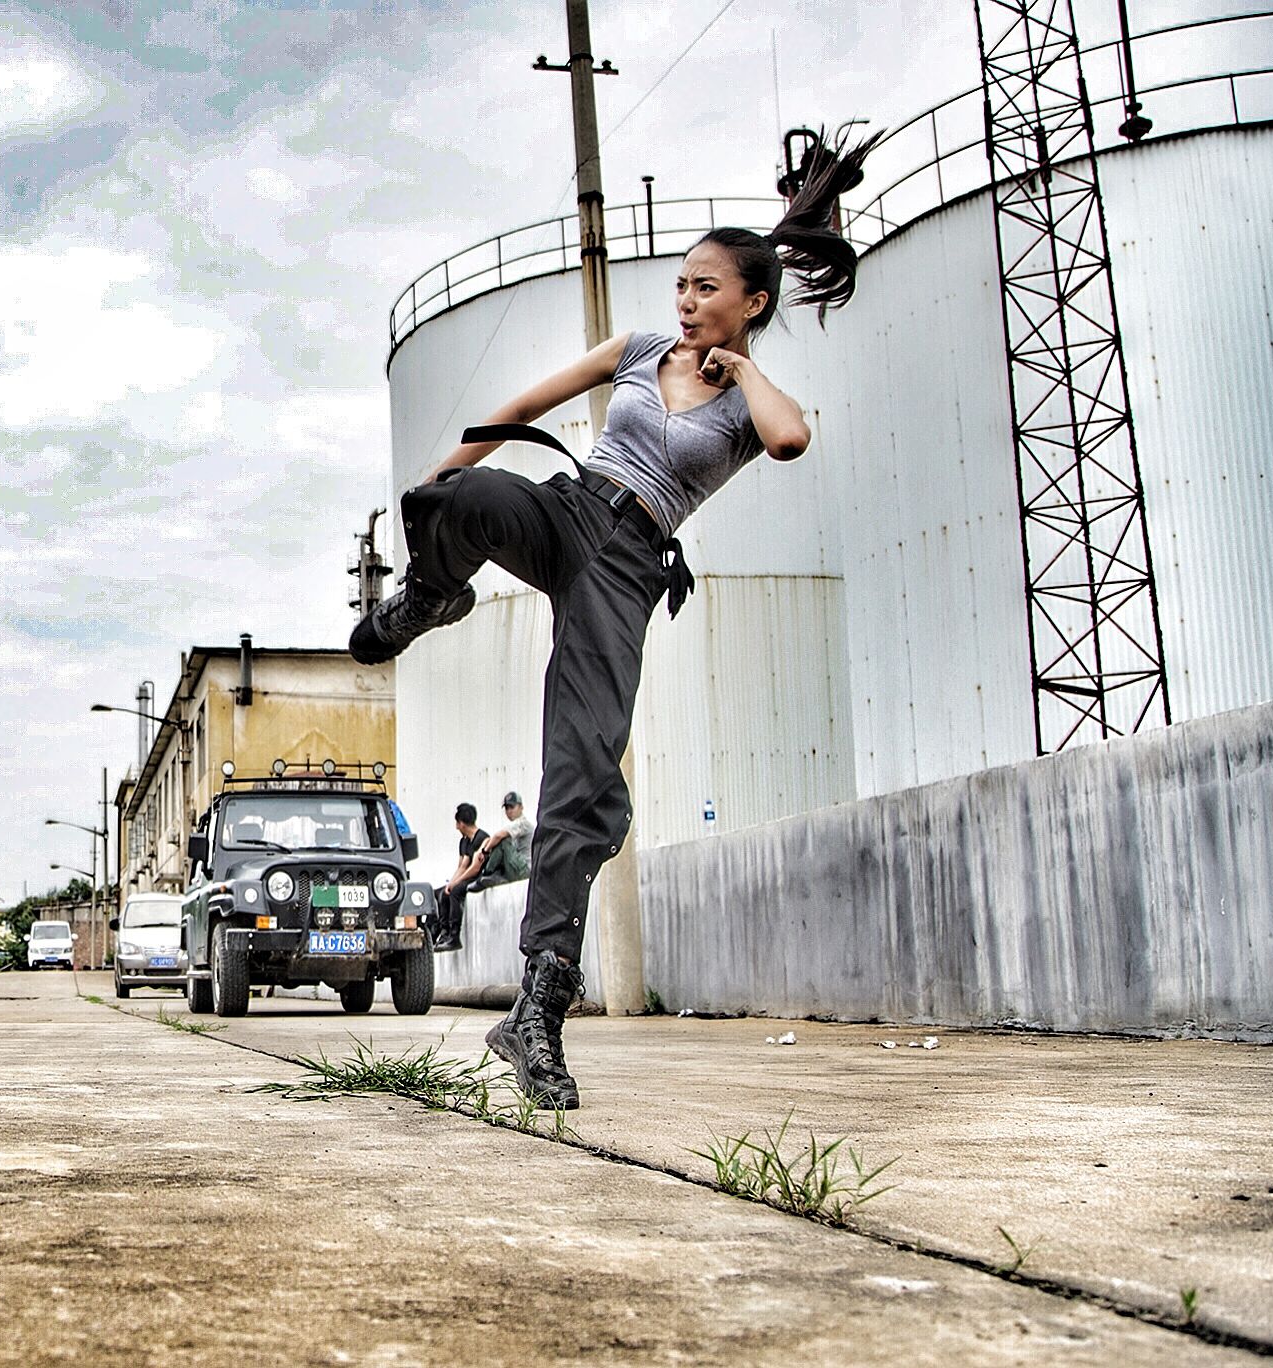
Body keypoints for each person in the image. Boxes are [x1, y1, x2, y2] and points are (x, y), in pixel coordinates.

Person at [349, 134, 878, 1109]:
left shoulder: (747, 403)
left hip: (628, 565)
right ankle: (431, 595)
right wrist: (430, 497)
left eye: (704, 288)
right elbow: (520, 406)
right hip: (568, 509)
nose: (683, 301)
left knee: (580, 776)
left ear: (751, 303)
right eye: (680, 285)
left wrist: (738, 366)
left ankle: (536, 1012)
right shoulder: (636, 352)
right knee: (456, 496)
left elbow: (789, 438)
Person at [431, 801, 491, 951]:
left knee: (455, 892)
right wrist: (451, 883)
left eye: (457, 823)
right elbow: (463, 865)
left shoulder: (483, 839)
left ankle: (454, 935)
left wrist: (456, 883)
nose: (456, 827)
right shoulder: (464, 841)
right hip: (466, 875)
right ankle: (440, 932)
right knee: (439, 894)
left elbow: (475, 868)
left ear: (462, 823)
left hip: (478, 876)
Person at [476, 790, 533, 885]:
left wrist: (485, 851)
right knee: (501, 843)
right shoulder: (515, 826)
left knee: (503, 841)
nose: (509, 811)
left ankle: (487, 872)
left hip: (524, 870)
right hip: (516, 866)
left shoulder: (523, 823)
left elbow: (498, 835)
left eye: (512, 807)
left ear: (521, 807)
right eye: (507, 808)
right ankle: (494, 875)